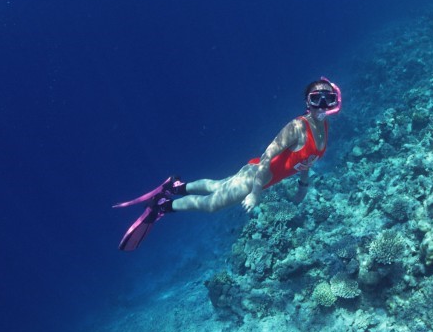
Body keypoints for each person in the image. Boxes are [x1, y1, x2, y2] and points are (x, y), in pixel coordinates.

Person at [114, 77, 342, 251]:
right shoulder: (296, 127)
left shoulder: (324, 127)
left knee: (217, 186)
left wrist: (303, 186)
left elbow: (305, 161)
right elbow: (267, 157)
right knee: (212, 205)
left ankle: (176, 187)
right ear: (307, 102)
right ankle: (162, 206)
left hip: (258, 176)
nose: (322, 106)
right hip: (256, 177)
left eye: (327, 99)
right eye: (316, 99)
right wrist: (254, 193)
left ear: (334, 101)